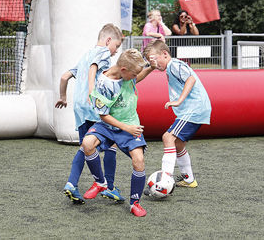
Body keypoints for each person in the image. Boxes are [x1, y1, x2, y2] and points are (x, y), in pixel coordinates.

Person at [81, 49, 156, 217]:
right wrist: (125, 127)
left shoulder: (128, 75)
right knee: (87, 143)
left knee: (139, 161)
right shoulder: (104, 84)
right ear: (123, 70)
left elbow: (138, 78)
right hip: (108, 125)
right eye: (134, 73)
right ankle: (100, 182)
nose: (136, 76)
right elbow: (103, 115)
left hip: (130, 125)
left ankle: (135, 203)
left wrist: (150, 67)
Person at [55, 23, 124, 204]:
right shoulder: (103, 54)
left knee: (85, 147)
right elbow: (95, 68)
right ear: (108, 40)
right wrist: (92, 91)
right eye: (116, 46)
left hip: (79, 108)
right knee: (112, 143)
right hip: (94, 107)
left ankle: (71, 184)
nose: (115, 51)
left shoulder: (85, 55)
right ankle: (108, 186)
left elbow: (64, 77)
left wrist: (63, 97)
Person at [143, 40, 211, 189]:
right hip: (195, 109)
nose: (153, 64)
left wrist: (179, 100)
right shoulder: (170, 67)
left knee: (167, 137)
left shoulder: (174, 65)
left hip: (194, 109)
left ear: (165, 54)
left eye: (153, 59)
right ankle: (189, 180)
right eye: (150, 61)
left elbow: (191, 79)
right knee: (178, 144)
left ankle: (164, 181)